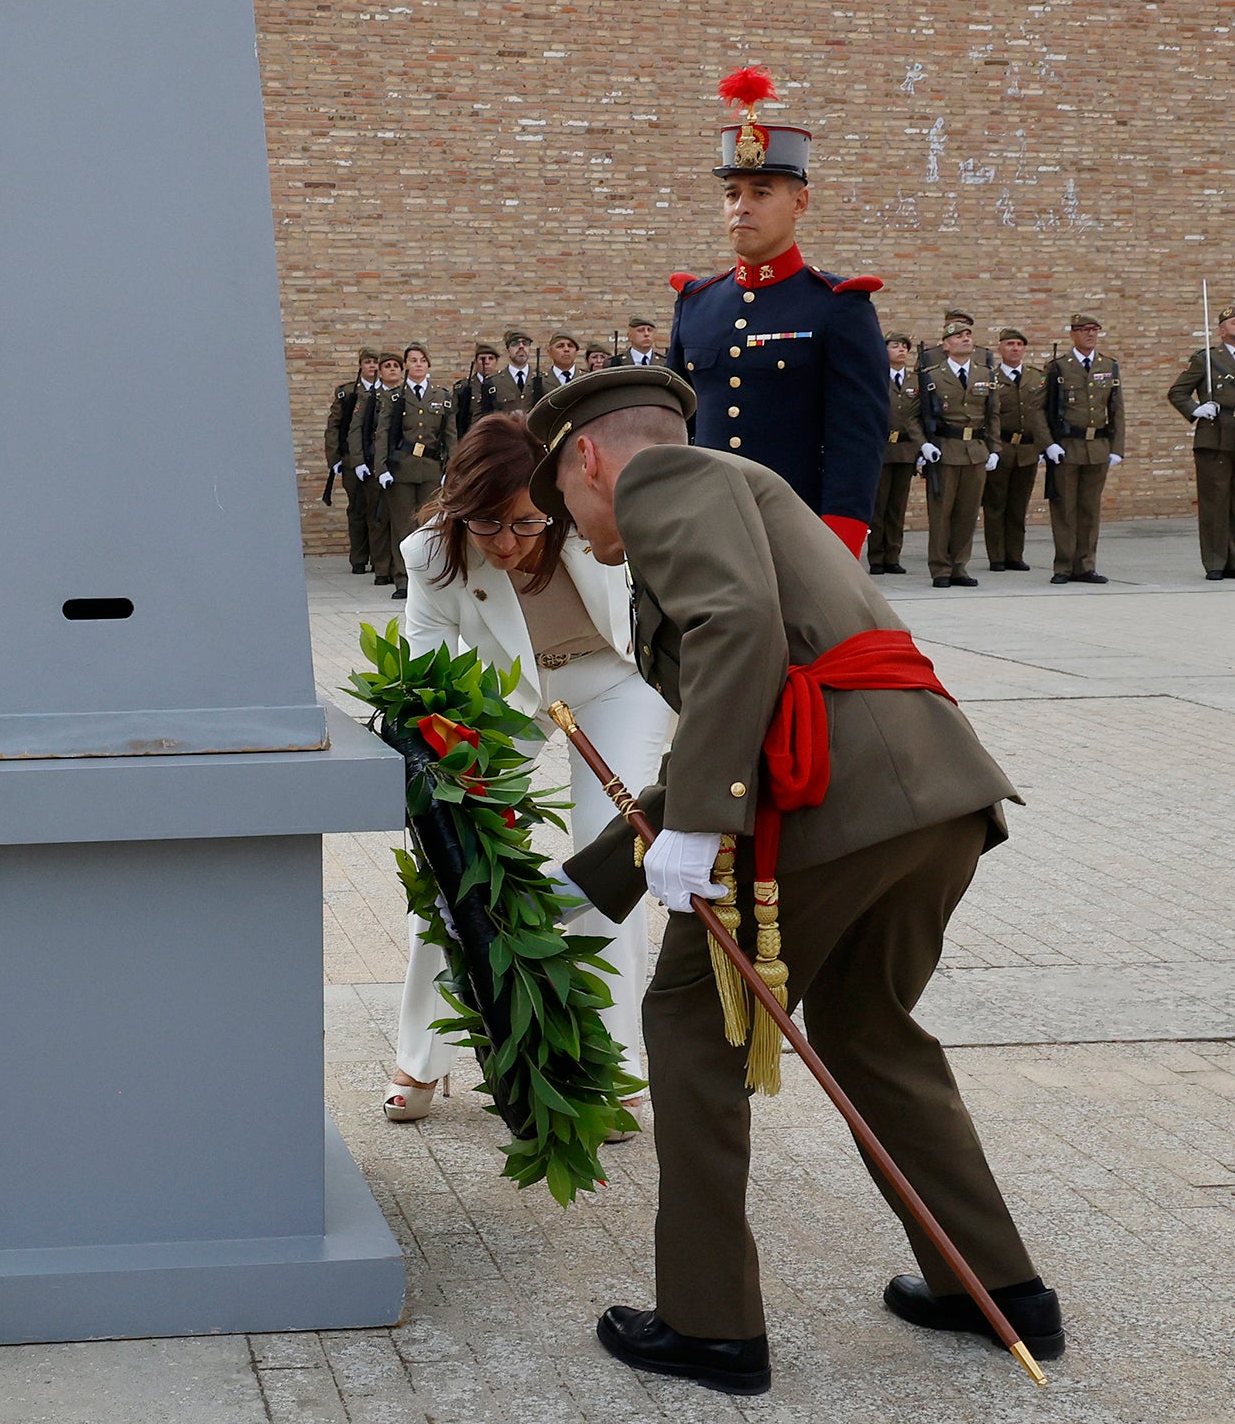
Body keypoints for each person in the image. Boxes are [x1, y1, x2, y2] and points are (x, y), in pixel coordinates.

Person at [529, 367, 1059, 1397]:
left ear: (587, 456)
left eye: (562, 493)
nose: (570, 518)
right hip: (929, 793)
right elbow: (756, 690)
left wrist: (694, 827)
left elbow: (734, 629)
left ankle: (709, 1324)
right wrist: (600, 879)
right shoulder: (735, 484)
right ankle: (990, 1282)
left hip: (830, 802)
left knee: (688, 1022)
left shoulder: (663, 479)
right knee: (868, 1025)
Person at [387, 412, 671, 1125]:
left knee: (612, 849)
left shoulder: (591, 519)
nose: (507, 543)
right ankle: (419, 1059)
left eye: (524, 523)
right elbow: (427, 678)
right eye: (486, 525)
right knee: (459, 865)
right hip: (502, 700)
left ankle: (616, 1066)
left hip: (611, 683)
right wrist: (451, 776)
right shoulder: (431, 553)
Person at [665, 66, 886, 556]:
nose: (741, 207)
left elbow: (858, 438)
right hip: (706, 531)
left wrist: (839, 541)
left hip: (798, 534)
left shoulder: (837, 306)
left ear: (800, 202)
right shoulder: (696, 303)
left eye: (761, 192)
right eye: (731, 193)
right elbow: (674, 428)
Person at [1166, 305, 1235, 581]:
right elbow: (1177, 392)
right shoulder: (1206, 359)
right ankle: (1215, 562)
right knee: (1215, 501)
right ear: (1222, 330)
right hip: (1215, 436)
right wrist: (1196, 409)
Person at [1042, 312, 1125, 585]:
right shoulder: (1058, 367)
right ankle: (1064, 565)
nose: (1090, 334)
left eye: (1094, 329)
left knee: (1090, 509)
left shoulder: (1108, 366)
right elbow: (1039, 410)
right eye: (1084, 330)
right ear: (1072, 334)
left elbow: (1117, 410)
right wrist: (1048, 444)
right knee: (1064, 508)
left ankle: (1086, 565)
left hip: (1097, 446)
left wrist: (1117, 447)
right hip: (1067, 446)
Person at [373, 343, 458, 599]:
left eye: (422, 360)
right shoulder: (395, 397)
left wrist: (450, 468)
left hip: (431, 469)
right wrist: (382, 467)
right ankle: (403, 580)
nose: (418, 364)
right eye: (413, 360)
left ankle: (430, 578)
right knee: (403, 526)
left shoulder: (442, 396)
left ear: (428, 365)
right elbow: (383, 434)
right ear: (406, 365)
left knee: (431, 525)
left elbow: (450, 435)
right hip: (401, 469)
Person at [921, 319, 994, 588]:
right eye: (958, 336)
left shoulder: (985, 374)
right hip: (945, 449)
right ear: (946, 345)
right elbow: (917, 416)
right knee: (942, 513)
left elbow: (992, 414)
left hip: (975, 450)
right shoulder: (932, 375)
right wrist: (923, 445)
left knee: (967, 512)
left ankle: (959, 566)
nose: (965, 339)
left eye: (968, 335)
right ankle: (940, 568)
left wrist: (993, 449)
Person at [983, 328, 1044, 573]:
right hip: (1003, 447)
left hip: (1028, 449)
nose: (1015, 348)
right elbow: (989, 415)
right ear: (1000, 348)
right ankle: (996, 556)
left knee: (1019, 506)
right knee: (996, 505)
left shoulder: (1036, 377)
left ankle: (1014, 554)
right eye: (1010, 344)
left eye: (1019, 344)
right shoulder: (991, 377)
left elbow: (1042, 413)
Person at [868, 331, 923, 575]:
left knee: (897, 506)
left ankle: (893, 555)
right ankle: (876, 557)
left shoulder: (915, 381)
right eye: (895, 346)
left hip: (905, 449)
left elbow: (920, 415)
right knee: (878, 505)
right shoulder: (876, 378)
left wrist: (921, 447)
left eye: (904, 347)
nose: (900, 350)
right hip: (882, 448)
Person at [324, 347, 381, 575]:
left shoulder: (389, 392)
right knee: (357, 510)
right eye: (368, 362)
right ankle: (358, 559)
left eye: (376, 362)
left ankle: (379, 560)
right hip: (351, 460)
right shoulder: (347, 393)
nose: (373, 366)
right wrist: (334, 457)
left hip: (378, 461)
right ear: (361, 365)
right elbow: (334, 426)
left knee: (377, 512)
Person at [364, 350, 407, 587]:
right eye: (387, 366)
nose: (392, 369)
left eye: (396, 366)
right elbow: (359, 429)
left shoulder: (404, 396)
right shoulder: (372, 397)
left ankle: (398, 567)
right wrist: (361, 461)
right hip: (375, 461)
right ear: (379, 372)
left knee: (398, 518)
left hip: (398, 461)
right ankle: (382, 568)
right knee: (379, 518)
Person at [488, 328, 543, 414]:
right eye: (515, 344)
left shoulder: (542, 379)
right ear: (507, 351)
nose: (521, 346)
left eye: (525, 343)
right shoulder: (494, 382)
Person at [453, 341, 499, 436]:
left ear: (496, 362)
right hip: (472, 436)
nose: (486, 362)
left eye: (491, 358)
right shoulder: (464, 386)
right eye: (482, 358)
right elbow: (455, 418)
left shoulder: (501, 384)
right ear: (475, 362)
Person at [539, 330, 580, 398]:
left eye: (570, 346)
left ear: (576, 352)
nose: (566, 349)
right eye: (560, 346)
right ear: (550, 352)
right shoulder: (540, 381)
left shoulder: (587, 378)